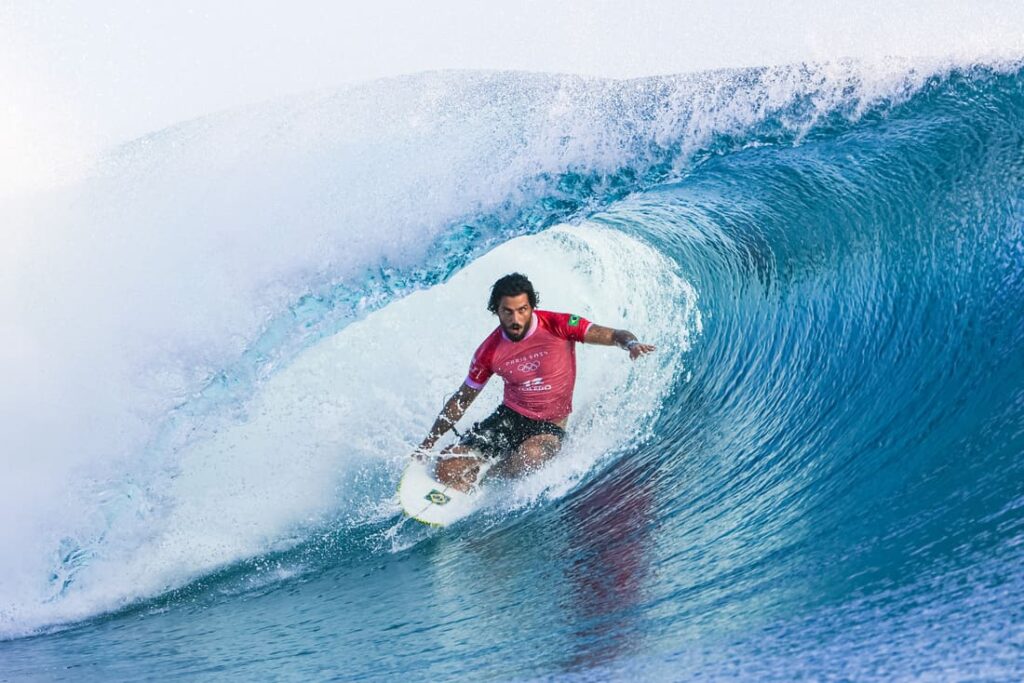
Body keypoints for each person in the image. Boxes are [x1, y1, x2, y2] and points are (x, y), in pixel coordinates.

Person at [412, 272, 655, 492]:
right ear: (496, 310)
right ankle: (468, 480)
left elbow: (613, 335)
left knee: (530, 456)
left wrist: (631, 344)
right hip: (510, 417)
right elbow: (462, 400)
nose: (515, 318)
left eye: (522, 309)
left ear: (532, 307)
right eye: (507, 311)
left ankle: (486, 476)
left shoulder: (558, 325)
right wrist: (428, 443)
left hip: (550, 425)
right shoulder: (489, 350)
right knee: (445, 466)